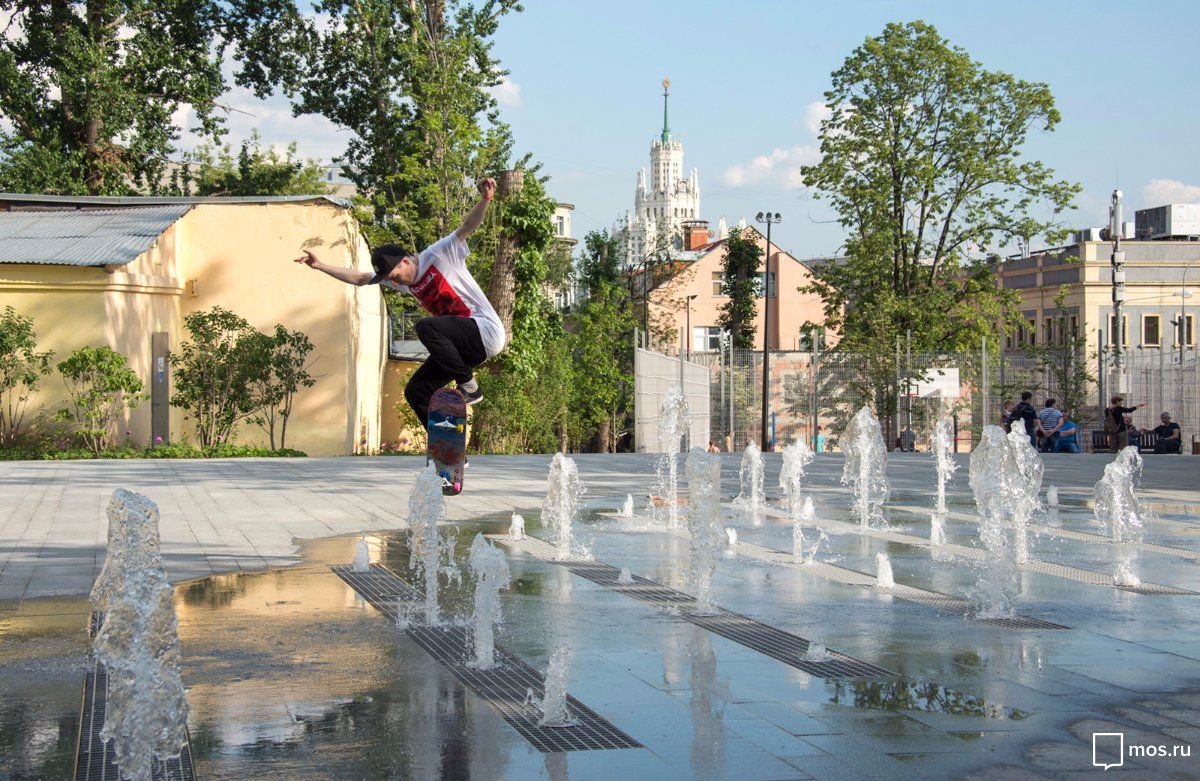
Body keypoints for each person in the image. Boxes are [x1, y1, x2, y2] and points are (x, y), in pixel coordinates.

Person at [295, 177, 504, 431]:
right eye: (391, 280)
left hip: (484, 331)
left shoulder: (438, 253)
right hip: (463, 349)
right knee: (416, 391)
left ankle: (470, 387)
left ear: (405, 261)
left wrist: (485, 199)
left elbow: (467, 226)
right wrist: (321, 266)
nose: (395, 282)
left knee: (427, 327)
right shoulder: (403, 281)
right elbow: (361, 278)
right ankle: (447, 448)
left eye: (395, 275)